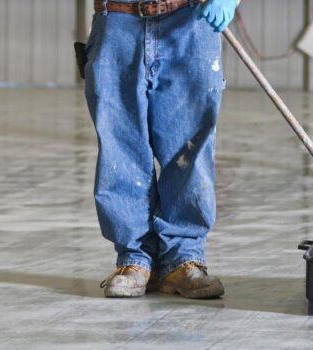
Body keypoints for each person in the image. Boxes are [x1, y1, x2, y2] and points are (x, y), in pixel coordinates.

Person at [83, 0, 238, 298]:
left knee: (188, 150)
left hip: (189, 22)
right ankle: (134, 259)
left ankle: (184, 259)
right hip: (118, 19)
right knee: (121, 148)